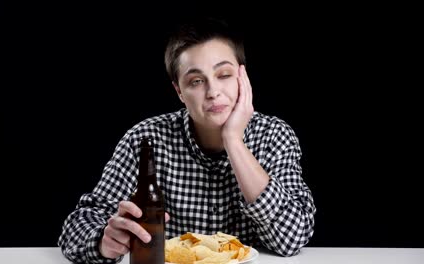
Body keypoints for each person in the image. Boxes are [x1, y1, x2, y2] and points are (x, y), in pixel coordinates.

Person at [58, 17, 316, 263]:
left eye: (224, 75)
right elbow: (77, 227)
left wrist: (233, 141)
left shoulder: (274, 136)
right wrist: (104, 241)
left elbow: (292, 238)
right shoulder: (145, 139)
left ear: (242, 78)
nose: (213, 92)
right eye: (196, 81)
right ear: (179, 91)